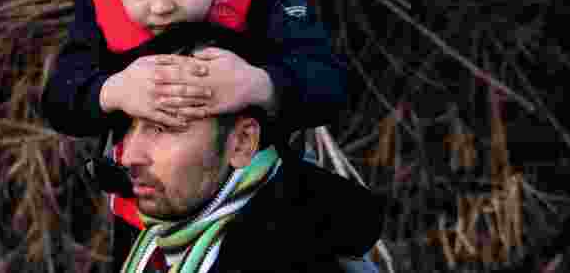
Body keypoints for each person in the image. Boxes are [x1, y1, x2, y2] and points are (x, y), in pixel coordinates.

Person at [41, 0, 351, 264]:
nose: (159, 7)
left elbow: (330, 86)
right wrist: (114, 90)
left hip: (260, 213)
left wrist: (259, 84)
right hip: (147, 220)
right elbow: (59, 99)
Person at [112, 21, 386, 273]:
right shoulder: (166, 236)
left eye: (162, 128)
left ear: (242, 143)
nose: (129, 157)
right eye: (129, 127)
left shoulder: (288, 255)